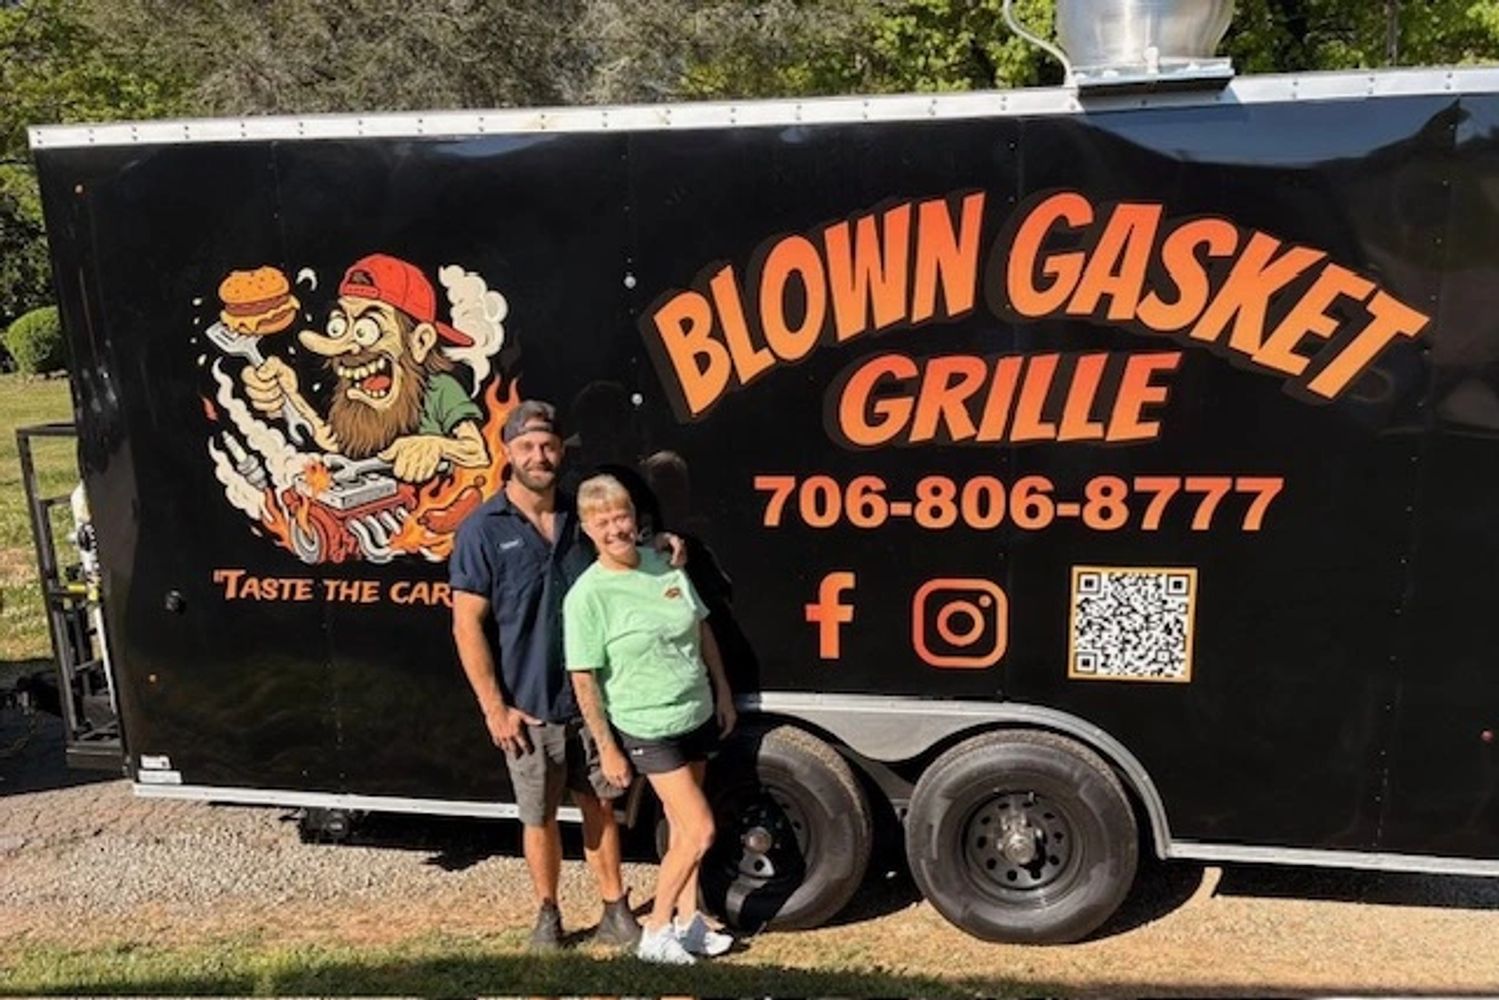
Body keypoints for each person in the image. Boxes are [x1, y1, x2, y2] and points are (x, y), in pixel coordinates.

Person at [449, 400, 682, 952]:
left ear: (561, 451)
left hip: (591, 700)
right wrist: (495, 708)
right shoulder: (482, 530)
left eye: (549, 446)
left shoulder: (581, 515)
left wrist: (663, 545)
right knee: (540, 816)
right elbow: (467, 625)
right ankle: (548, 913)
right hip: (529, 706)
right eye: (527, 447)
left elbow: (624, 545)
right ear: (508, 452)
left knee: (599, 806)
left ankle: (614, 909)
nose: (540, 456)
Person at [564, 474, 738, 965]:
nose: (615, 529)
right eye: (602, 522)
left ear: (635, 519)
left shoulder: (664, 564)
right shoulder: (587, 595)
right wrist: (607, 747)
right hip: (646, 726)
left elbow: (701, 627)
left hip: (695, 712)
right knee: (701, 830)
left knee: (683, 830)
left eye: (621, 517)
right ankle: (656, 932)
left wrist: (722, 691)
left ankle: (688, 923)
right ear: (587, 529)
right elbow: (584, 679)